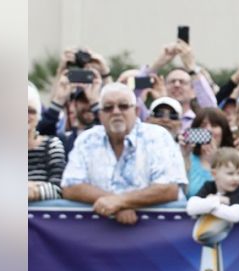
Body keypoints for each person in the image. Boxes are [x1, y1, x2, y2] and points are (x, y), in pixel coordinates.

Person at [60, 83, 187, 224]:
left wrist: (121, 201)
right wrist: (116, 203)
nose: (116, 112)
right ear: (100, 115)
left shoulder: (158, 136)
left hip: (158, 234)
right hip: (99, 236)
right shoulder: (86, 140)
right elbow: (70, 186)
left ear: (137, 111)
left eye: (123, 106)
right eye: (108, 107)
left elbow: (169, 188)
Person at [184, 148, 239, 226]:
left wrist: (207, 205)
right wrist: (217, 200)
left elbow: (235, 216)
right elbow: (191, 208)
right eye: (230, 173)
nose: (236, 178)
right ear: (214, 174)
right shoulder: (209, 186)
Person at [28, 85, 67, 201]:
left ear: (38, 117)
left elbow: (60, 189)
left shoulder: (52, 145)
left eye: (31, 111)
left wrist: (34, 191)